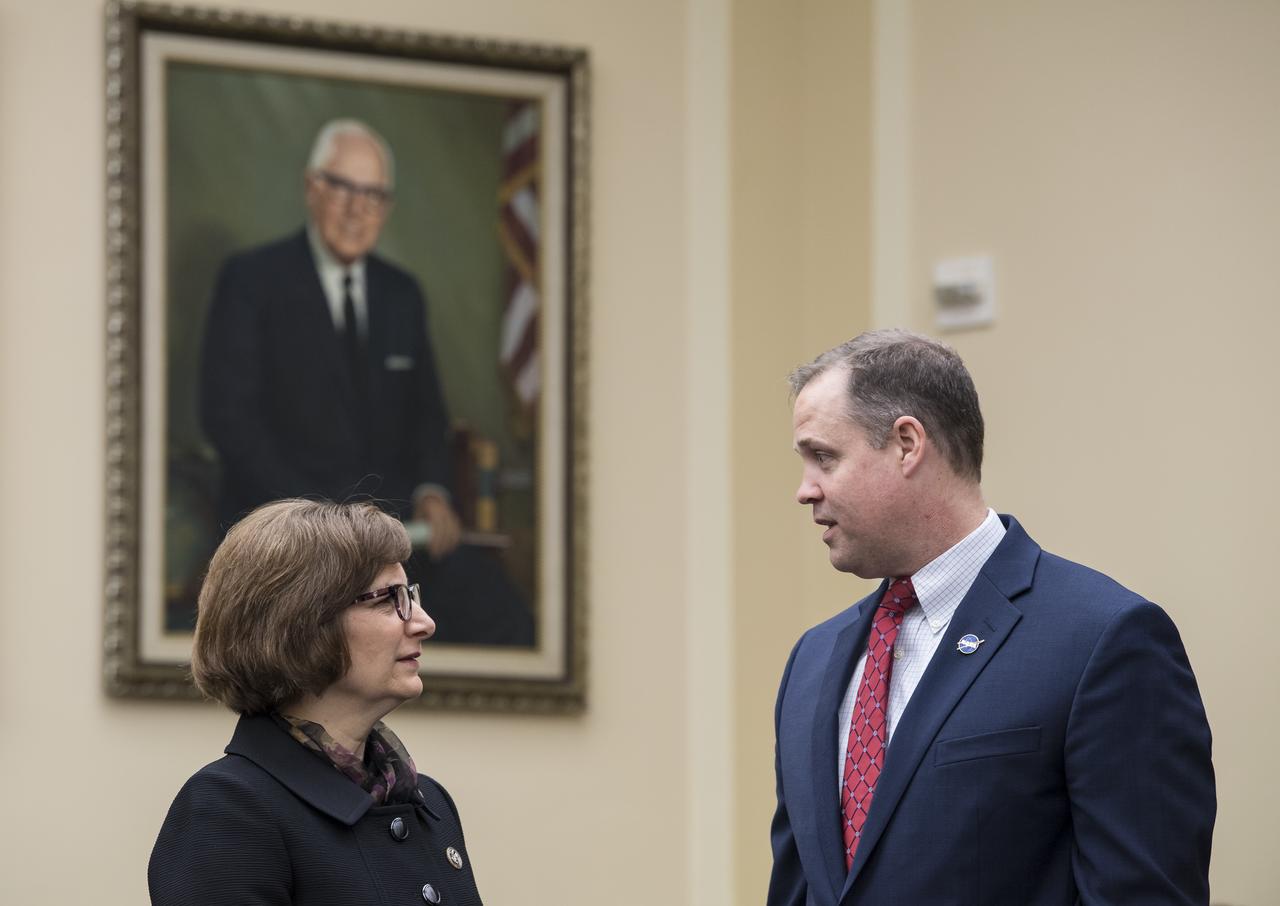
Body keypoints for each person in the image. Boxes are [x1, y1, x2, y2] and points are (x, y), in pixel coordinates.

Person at [769, 330, 1214, 905]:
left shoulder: (1103, 639)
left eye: (823, 457)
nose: (804, 491)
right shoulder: (812, 659)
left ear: (907, 443)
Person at [199, 118, 533, 645]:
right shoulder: (252, 282)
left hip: (396, 538)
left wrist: (432, 493)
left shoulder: (402, 296)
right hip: (289, 538)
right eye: (343, 188)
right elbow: (229, 419)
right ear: (312, 188)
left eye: (374, 194)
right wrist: (319, 521)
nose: (358, 208)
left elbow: (428, 418)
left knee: (506, 619)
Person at [149, 499, 484, 906]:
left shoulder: (429, 803)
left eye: (410, 595)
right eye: (388, 599)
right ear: (300, 624)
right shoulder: (228, 808)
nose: (423, 622)